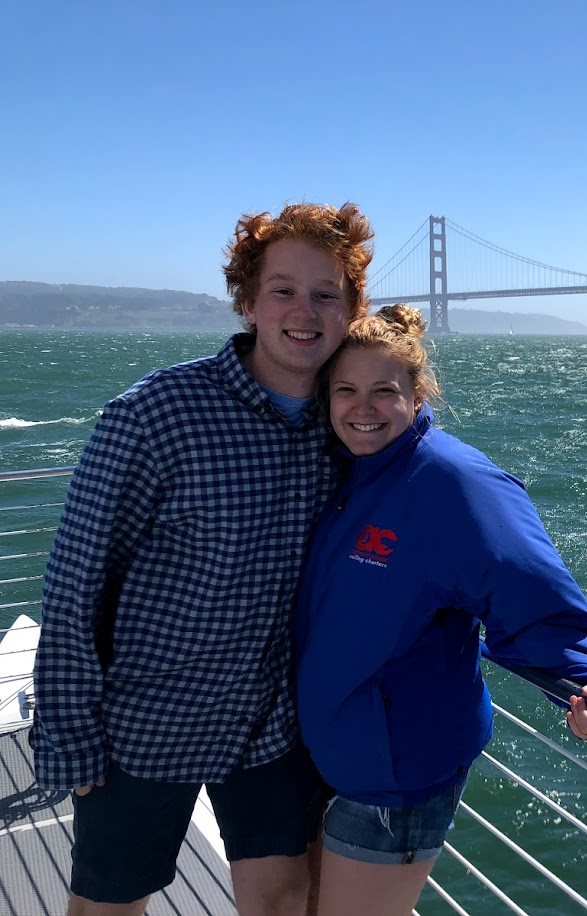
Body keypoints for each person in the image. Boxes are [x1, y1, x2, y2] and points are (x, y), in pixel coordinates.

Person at [31, 202, 375, 916]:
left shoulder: (353, 421)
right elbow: (74, 583)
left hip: (276, 724)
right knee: (108, 905)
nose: (304, 311)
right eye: (283, 290)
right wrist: (68, 733)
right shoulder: (156, 413)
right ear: (248, 301)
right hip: (147, 723)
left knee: (284, 900)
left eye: (326, 294)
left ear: (350, 312)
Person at [293, 304, 587, 916]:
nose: (363, 408)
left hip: (395, 777)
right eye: (345, 390)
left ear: (417, 395)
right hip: (333, 754)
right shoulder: (347, 469)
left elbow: (531, 598)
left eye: (384, 391)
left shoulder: (457, 484)